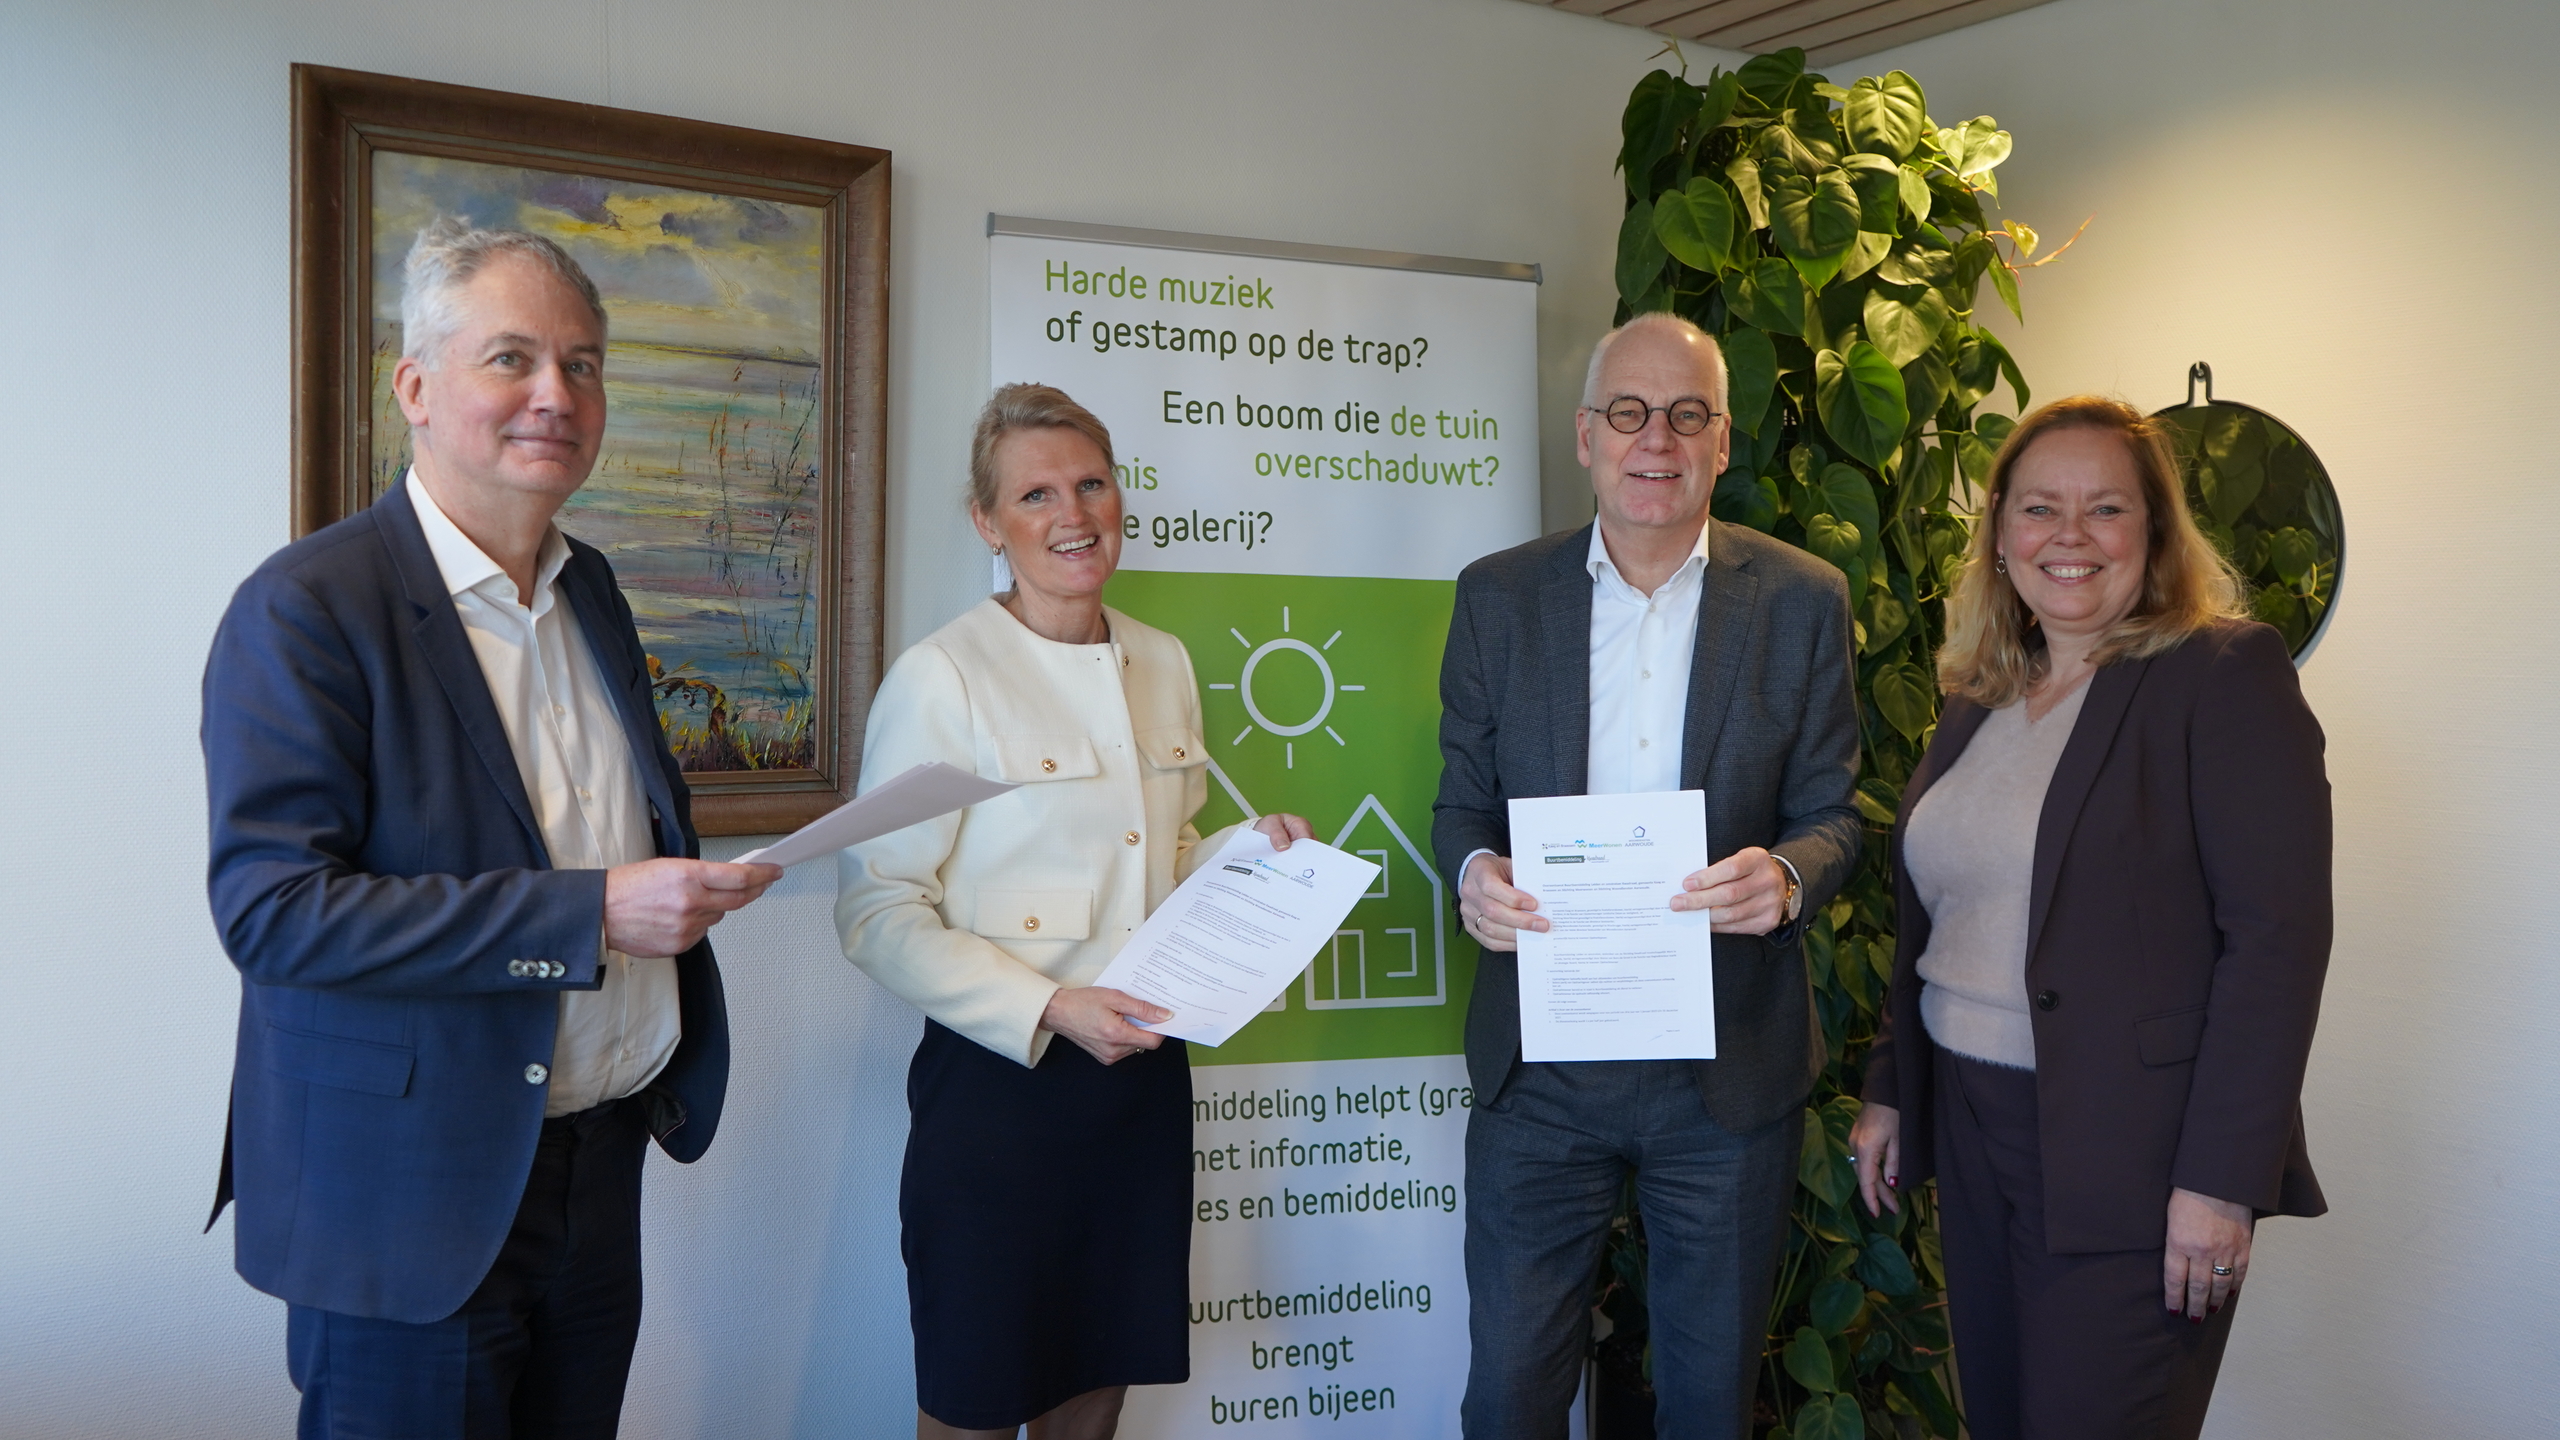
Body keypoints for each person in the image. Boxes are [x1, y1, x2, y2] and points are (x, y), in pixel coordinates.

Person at [201, 219, 782, 1439]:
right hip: (407, 1193)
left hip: (595, 1158)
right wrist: (596, 911)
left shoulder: (595, 590)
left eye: (581, 364)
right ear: (414, 387)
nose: (554, 396)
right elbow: (272, 911)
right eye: (510, 358)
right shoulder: (307, 606)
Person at [1847, 396, 2331, 1439]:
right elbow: (1944, 911)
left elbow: (2276, 943)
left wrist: (2218, 1183)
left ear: (2152, 533)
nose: (2067, 536)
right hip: (1973, 1128)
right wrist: (1893, 1086)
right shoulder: (1981, 687)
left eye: (2103, 508)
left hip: (2131, 1149)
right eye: (2037, 508)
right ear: (1999, 536)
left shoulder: (2221, 674)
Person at [836, 383, 1313, 1440]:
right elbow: (877, 910)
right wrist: (1052, 1006)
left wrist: (1251, 853)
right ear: (987, 522)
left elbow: (1166, 854)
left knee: (1096, 1396)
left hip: (1139, 1089)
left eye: (1090, 483)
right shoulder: (942, 678)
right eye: (1036, 493)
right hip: (1001, 1097)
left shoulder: (1163, 660)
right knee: (972, 1403)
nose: (1072, 514)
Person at [1433, 312, 1864, 1439]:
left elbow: (1835, 814)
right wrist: (1474, 872)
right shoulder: (1495, 597)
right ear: (1585, 435)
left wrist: (1786, 873)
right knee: (1511, 1393)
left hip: (1723, 1072)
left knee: (1709, 1399)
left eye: (1687, 415)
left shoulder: (1802, 600)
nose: (1654, 438)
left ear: (1723, 443)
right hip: (1542, 1068)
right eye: (1628, 412)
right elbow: (1461, 803)